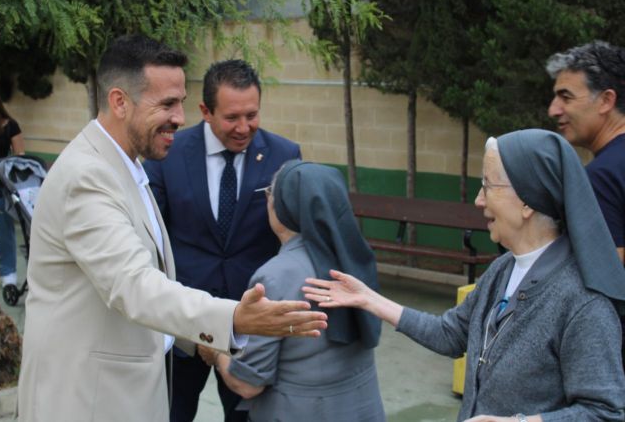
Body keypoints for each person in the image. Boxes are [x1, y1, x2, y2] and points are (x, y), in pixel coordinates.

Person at [17, 35, 327, 422]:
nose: (180, 118)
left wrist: (201, 340)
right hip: (90, 399)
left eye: (180, 102)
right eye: (166, 104)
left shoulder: (128, 167)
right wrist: (232, 319)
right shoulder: (88, 177)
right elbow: (133, 285)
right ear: (119, 102)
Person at [304, 129, 625, 421]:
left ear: (528, 201)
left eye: (488, 185)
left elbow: (604, 413)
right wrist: (370, 300)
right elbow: (452, 334)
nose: (478, 200)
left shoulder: (583, 303)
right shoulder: (504, 268)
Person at [143, 59, 301, 422]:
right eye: (232, 117)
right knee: (172, 412)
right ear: (205, 111)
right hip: (183, 327)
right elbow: (152, 236)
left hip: (250, 331)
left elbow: (291, 241)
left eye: (252, 114)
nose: (244, 127)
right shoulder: (168, 153)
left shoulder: (284, 155)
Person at [198, 160, 384, 421]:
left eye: (269, 193)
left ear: (282, 207)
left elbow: (248, 385)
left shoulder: (275, 277)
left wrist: (215, 351)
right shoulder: (355, 258)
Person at [547, 40, 625, 264]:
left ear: (606, 100)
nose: (553, 109)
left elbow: (606, 273)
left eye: (566, 97)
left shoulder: (602, 177)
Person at [0, 87, 24, 287]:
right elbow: (20, 156)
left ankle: (5, 273)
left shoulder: (9, 126)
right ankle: (8, 274)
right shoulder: (10, 125)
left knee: (0, 227)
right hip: (1, 181)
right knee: (3, 228)